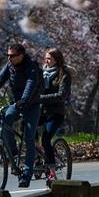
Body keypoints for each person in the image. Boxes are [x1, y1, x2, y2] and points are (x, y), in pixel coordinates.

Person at [0, 43, 42, 188]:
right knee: (5, 120)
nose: (9, 58)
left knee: (29, 137)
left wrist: (24, 99)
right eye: (8, 55)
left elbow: (31, 84)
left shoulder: (32, 67)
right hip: (16, 104)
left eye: (12, 56)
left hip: (31, 105)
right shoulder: (9, 66)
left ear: (21, 55)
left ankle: (26, 174)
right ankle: (13, 152)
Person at [38, 48, 72, 185]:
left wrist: (40, 98)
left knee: (46, 138)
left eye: (49, 59)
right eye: (45, 58)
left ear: (57, 60)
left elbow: (61, 96)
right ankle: (38, 154)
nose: (46, 61)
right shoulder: (41, 74)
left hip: (56, 113)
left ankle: (52, 172)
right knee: (26, 129)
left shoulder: (64, 75)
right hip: (40, 111)